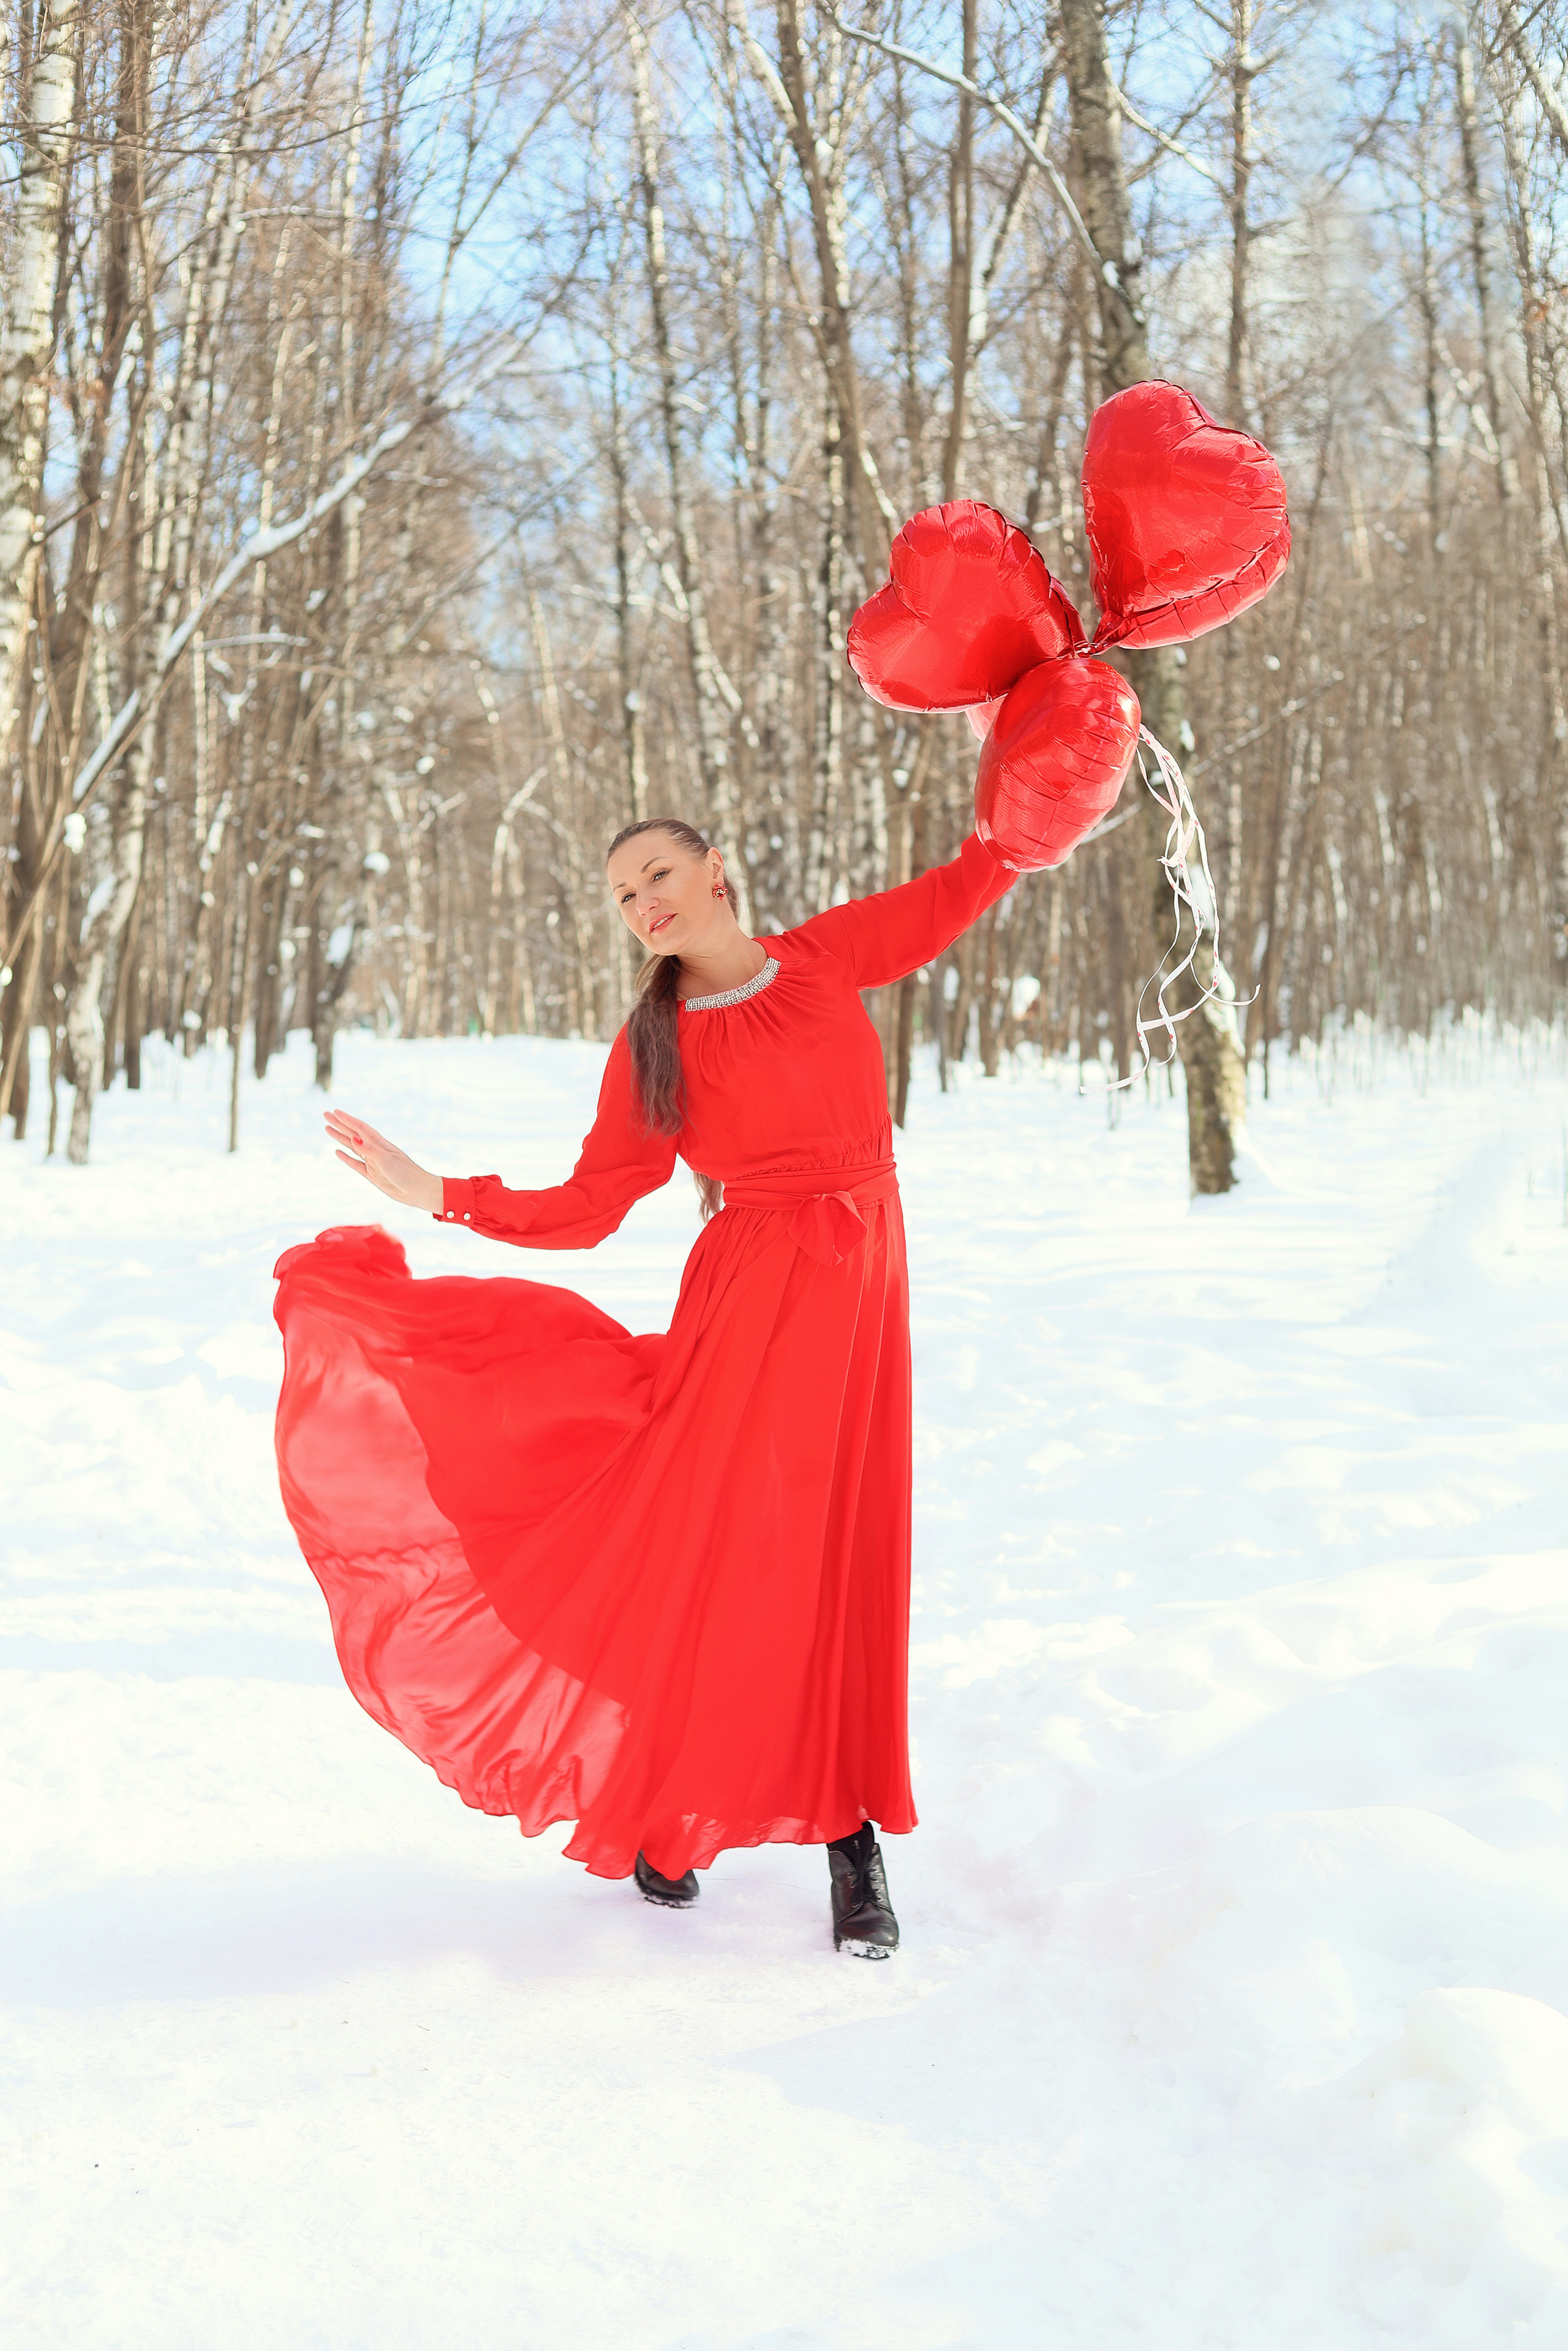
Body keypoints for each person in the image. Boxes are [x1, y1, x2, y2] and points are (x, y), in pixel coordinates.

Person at [273, 816, 1014, 1957]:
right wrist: (439, 1192)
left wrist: (1038, 781)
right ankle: (680, 1802)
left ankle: (851, 1835)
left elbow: (965, 883)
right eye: (623, 895)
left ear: (716, 870)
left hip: (864, 1295)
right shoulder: (656, 1042)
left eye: (656, 875)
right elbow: (590, 1204)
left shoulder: (821, 956)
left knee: (849, 1555)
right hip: (754, 1312)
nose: (644, 904)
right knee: (724, 1555)